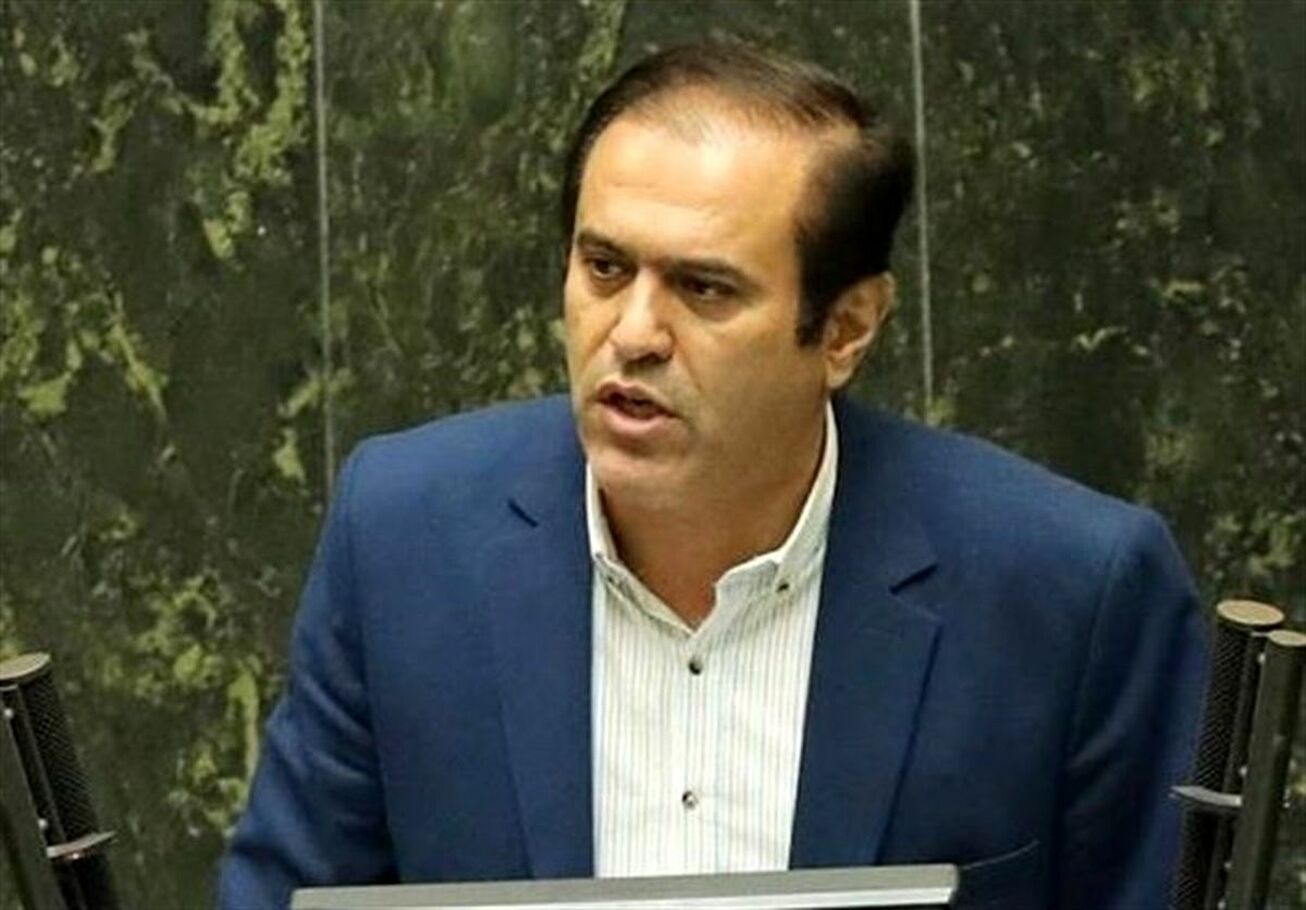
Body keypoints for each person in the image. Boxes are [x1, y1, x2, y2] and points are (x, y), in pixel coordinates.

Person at [217, 42, 1207, 909]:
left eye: (703, 287)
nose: (634, 333)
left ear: (845, 328)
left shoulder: (1072, 591)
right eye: (605, 269)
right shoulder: (404, 537)